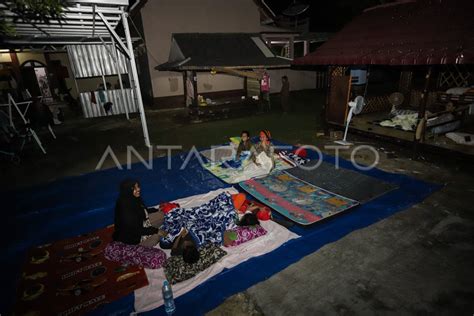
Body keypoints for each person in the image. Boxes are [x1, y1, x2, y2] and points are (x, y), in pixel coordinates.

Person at [113, 179, 163, 247]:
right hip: (133, 238)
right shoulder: (125, 209)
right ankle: (140, 246)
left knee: (161, 215)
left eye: (138, 186)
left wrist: (156, 210)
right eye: (134, 188)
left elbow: (143, 210)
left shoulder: (133, 198)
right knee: (156, 237)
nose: (138, 189)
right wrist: (156, 231)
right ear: (128, 190)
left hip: (141, 224)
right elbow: (136, 230)